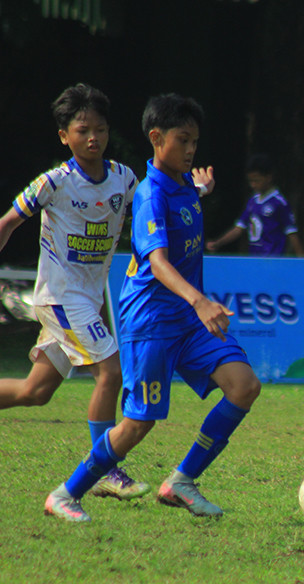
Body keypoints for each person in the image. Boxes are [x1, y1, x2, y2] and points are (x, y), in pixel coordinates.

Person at [43, 93, 262, 522]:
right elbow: (157, 262)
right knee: (137, 426)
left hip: (186, 321)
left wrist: (200, 189)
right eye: (184, 140)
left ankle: (181, 481)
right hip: (152, 322)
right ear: (156, 138)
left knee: (244, 386)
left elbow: (185, 203)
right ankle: (66, 494)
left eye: (196, 141)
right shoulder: (148, 196)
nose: (192, 150)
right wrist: (200, 301)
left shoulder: (182, 186)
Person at [0, 83, 149, 502]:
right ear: (64, 135)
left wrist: (194, 193)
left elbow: (151, 211)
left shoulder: (124, 179)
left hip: (89, 297)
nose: (93, 138)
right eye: (82, 130)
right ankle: (105, 468)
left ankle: (103, 467)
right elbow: (9, 221)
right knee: (111, 373)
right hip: (62, 296)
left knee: (36, 392)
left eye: (100, 129)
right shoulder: (54, 183)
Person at [205, 153, 304, 257]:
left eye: (257, 181)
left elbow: (292, 233)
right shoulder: (253, 201)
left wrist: (303, 262)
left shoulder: (279, 203)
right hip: (255, 259)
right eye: (250, 181)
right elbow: (239, 228)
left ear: (268, 177)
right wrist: (218, 243)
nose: (253, 185)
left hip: (273, 260)